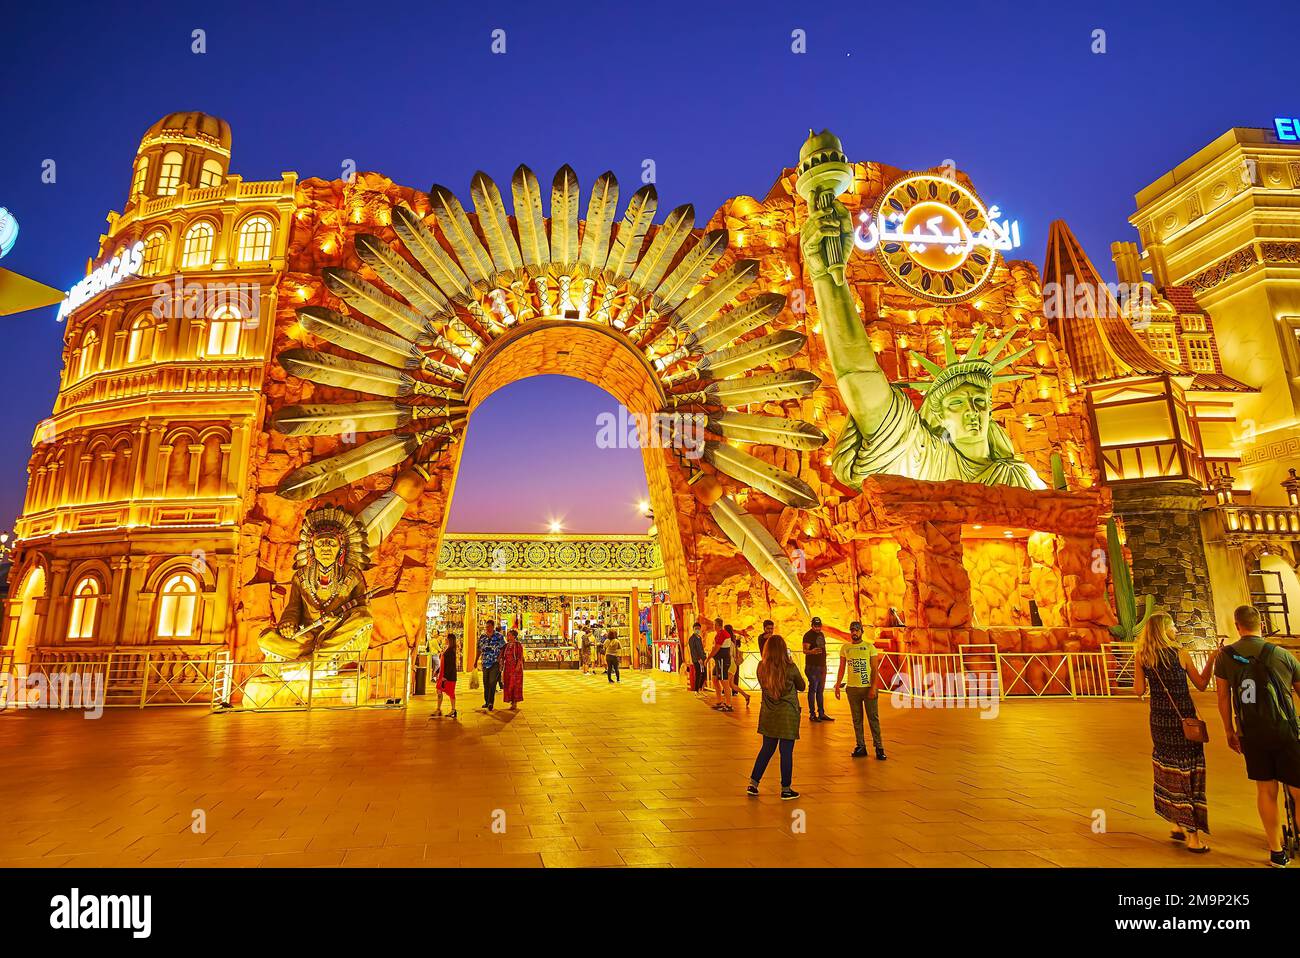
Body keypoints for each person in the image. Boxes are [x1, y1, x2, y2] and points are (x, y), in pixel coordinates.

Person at [1214, 604, 1300, 867]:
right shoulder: (1282, 655)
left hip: (1251, 731)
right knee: (1298, 791)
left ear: (1237, 626)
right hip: (1285, 729)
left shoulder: (1226, 657)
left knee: (1266, 789)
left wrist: (1230, 730)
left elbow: (1222, 697)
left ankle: (1276, 851)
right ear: (1261, 624)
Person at [1133, 612, 1212, 852]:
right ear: (1164, 630)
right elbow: (1200, 684)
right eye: (1173, 626)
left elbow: (1138, 690)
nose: (1176, 630)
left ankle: (1177, 824)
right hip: (1184, 720)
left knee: (1169, 770)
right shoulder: (1181, 654)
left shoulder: (1142, 656)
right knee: (1188, 773)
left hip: (1159, 721)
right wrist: (1211, 661)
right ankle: (1194, 838)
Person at [747, 634, 805, 800]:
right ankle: (786, 789)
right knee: (786, 752)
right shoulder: (790, 667)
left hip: (769, 713)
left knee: (766, 749)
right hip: (788, 714)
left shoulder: (761, 667)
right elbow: (802, 686)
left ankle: (753, 783)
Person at [834, 620, 886, 760]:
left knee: (873, 718)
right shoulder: (846, 648)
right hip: (852, 688)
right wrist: (837, 685)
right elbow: (842, 667)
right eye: (852, 630)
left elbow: (874, 668)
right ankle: (860, 745)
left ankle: (879, 747)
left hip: (867, 687)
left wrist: (873, 686)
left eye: (857, 630)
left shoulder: (869, 647)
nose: (854, 633)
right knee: (857, 719)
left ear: (861, 632)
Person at [802, 616, 833, 722]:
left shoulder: (821, 634)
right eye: (815, 626)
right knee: (813, 689)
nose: (817, 628)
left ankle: (821, 713)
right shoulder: (808, 635)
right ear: (812, 625)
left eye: (819, 626)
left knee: (820, 690)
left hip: (821, 666)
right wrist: (812, 651)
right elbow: (804, 650)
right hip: (812, 666)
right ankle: (812, 714)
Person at [477, 619, 506, 711]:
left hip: (495, 663)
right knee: (486, 682)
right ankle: (486, 701)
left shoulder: (499, 636)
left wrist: (500, 658)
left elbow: (503, 648)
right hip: (485, 663)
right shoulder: (482, 636)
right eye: (486, 627)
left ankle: (490, 702)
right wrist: (475, 660)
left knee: (492, 682)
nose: (487, 628)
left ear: (493, 627)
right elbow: (479, 649)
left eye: (489, 626)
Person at [708, 617, 733, 712]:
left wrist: (708, 658)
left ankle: (729, 704)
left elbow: (716, 648)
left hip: (722, 660)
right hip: (719, 661)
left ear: (718, 625)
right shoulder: (719, 633)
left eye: (714, 624)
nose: (713, 626)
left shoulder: (722, 634)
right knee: (714, 679)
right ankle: (719, 701)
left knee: (724, 681)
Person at [432, 633, 458, 719]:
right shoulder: (448, 649)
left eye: (447, 638)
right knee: (439, 690)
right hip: (443, 675)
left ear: (450, 640)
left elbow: (450, 665)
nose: (445, 639)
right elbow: (444, 663)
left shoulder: (451, 651)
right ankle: (438, 709)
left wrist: (445, 677)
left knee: (450, 692)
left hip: (448, 676)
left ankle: (453, 710)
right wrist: (438, 671)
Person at [501, 628, 525, 710]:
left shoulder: (518, 645)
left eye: (509, 635)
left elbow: (520, 657)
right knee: (508, 684)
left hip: (515, 668)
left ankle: (515, 702)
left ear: (514, 636)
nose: (508, 636)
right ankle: (511, 701)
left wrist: (517, 667)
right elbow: (502, 656)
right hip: (507, 668)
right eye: (507, 635)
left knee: (515, 685)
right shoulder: (506, 645)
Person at [728, 624, 751, 706]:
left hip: (729, 664)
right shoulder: (733, 641)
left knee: (726, 684)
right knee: (732, 684)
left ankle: (727, 703)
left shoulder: (728, 642)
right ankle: (746, 695)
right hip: (733, 664)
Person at [688, 621, 707, 694]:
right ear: (693, 629)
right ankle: (696, 690)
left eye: (698, 628)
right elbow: (693, 650)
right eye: (696, 628)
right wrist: (698, 659)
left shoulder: (699, 638)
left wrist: (704, 656)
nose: (697, 630)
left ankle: (700, 689)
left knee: (704, 674)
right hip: (696, 660)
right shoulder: (692, 639)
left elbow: (701, 649)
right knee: (698, 673)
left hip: (702, 659)